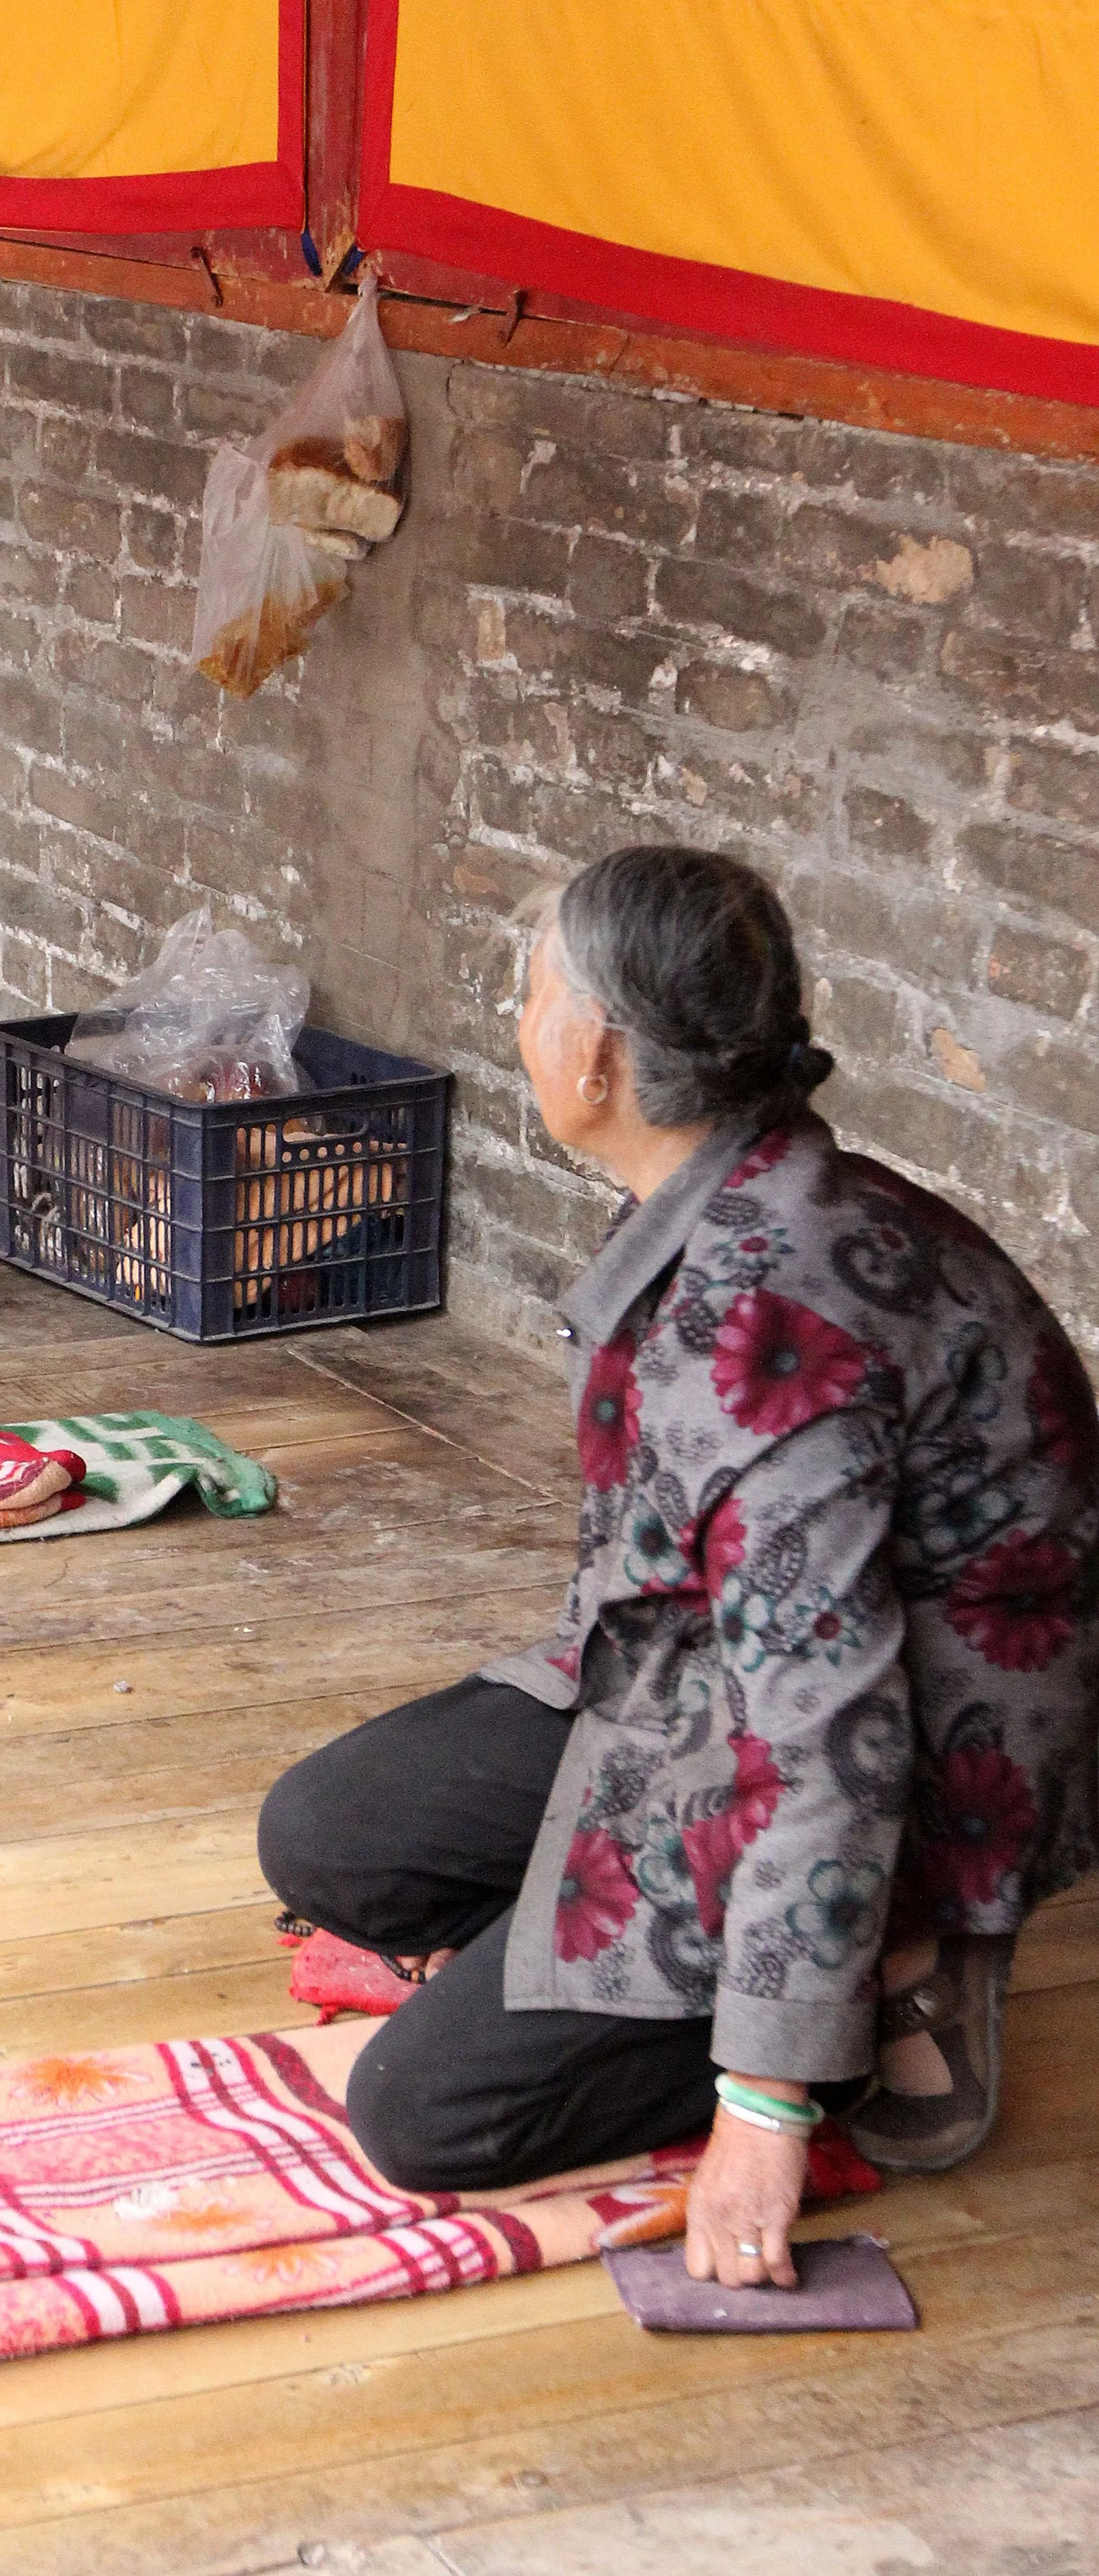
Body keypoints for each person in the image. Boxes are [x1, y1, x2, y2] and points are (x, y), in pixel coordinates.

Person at [259, 844, 1099, 2284]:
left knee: (423, 2109)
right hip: (707, 1662)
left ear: (596, 1053)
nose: (520, 1022)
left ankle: (885, 1984)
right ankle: (666, 1964)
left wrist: (764, 2108)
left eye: (531, 995)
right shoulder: (740, 1183)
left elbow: (836, 1732)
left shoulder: (767, 1320)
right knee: (328, 1834)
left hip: (909, 1752)